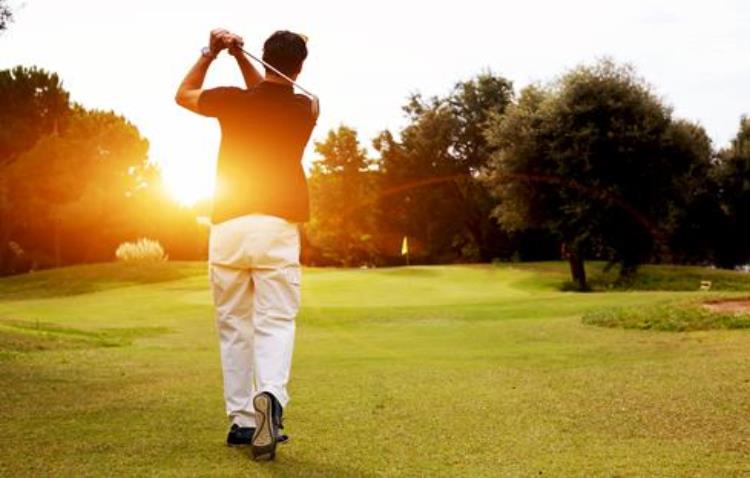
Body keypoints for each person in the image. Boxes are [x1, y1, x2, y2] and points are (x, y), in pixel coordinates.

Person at [175, 28, 319, 461]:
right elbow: (270, 92)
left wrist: (213, 53)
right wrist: (242, 57)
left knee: (234, 325)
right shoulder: (307, 106)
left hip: (229, 227)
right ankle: (270, 398)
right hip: (277, 227)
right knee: (276, 321)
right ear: (299, 67)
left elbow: (183, 95)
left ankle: (241, 421)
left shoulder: (233, 100)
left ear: (266, 57)